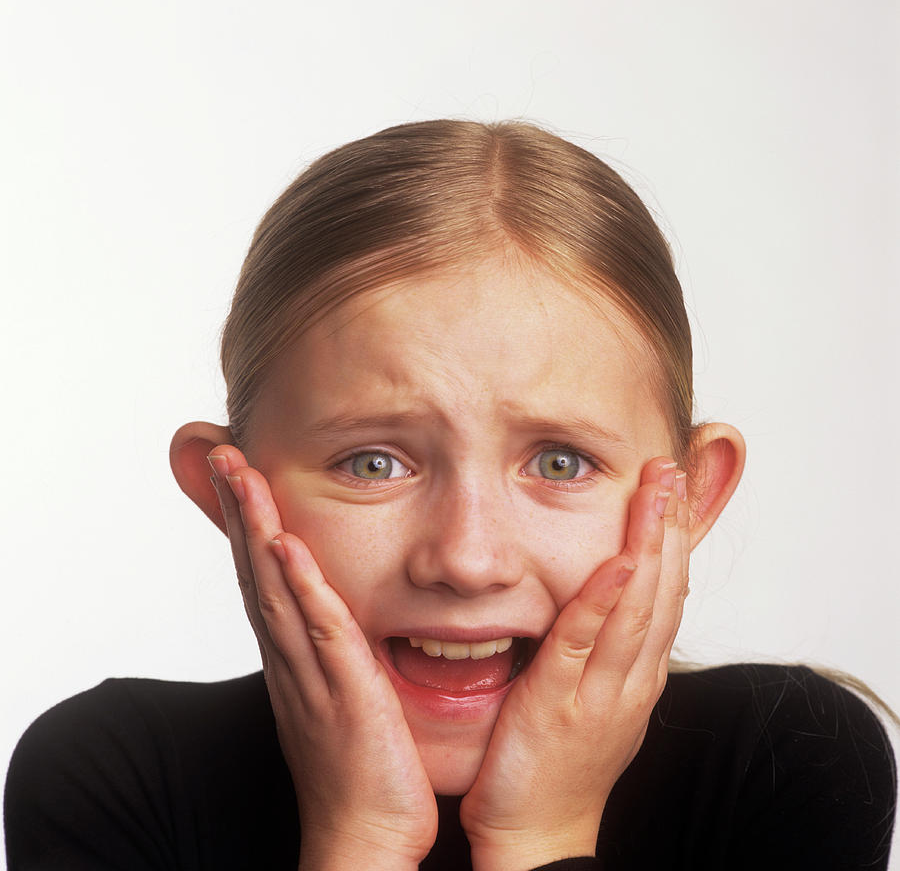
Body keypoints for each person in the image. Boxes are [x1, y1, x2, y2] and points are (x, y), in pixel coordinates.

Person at [5, 120, 896, 871]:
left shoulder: (786, 761)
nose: (468, 560)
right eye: (374, 465)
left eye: (558, 463)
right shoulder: (111, 775)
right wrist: (363, 839)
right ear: (228, 491)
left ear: (691, 497)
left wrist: (537, 836)